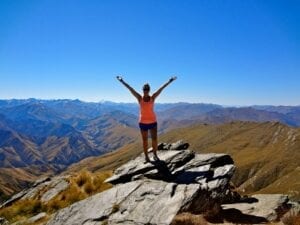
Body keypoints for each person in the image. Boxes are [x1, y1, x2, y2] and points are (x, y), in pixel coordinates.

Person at [116, 75, 177, 163]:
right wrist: (122, 81)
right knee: (145, 141)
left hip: (153, 121)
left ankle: (155, 155)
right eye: (144, 89)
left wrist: (170, 81)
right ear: (143, 90)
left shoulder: (153, 97)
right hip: (143, 122)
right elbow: (130, 89)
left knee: (155, 139)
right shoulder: (139, 98)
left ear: (149, 90)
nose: (146, 91)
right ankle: (146, 157)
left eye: (147, 89)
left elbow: (161, 88)